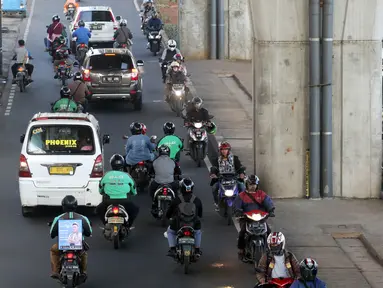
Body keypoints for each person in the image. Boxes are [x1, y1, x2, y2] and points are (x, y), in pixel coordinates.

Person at [49, 195, 92, 279]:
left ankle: (56, 271)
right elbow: (88, 232)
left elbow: (52, 234)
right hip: (78, 246)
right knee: (84, 254)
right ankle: (83, 272)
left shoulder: (58, 218)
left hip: (62, 246)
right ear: (76, 206)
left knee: (53, 251)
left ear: (63, 206)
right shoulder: (83, 218)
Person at [234, 175, 275, 259]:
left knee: (269, 232)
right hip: (246, 218)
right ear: (246, 185)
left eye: (254, 184)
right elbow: (236, 205)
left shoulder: (261, 194)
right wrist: (238, 211)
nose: (252, 186)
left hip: (261, 218)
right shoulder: (242, 195)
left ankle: (272, 250)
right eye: (250, 185)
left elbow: (268, 202)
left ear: (257, 185)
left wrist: (271, 210)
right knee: (242, 232)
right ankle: (241, 249)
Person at [96, 154, 139, 228]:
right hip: (125, 201)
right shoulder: (127, 176)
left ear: (111, 164)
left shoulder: (106, 175)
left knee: (99, 209)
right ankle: (128, 225)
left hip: (108, 201)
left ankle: (106, 224)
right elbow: (134, 189)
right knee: (135, 210)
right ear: (122, 164)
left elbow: (100, 189)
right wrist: (132, 193)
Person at [165, 178, 203, 257]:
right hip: (193, 224)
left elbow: (169, 212)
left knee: (170, 232)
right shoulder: (197, 200)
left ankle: (172, 249)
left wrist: (168, 217)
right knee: (198, 232)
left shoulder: (176, 200)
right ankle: (197, 249)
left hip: (178, 224)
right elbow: (200, 214)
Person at [210, 141, 246, 210]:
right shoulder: (217, 159)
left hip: (233, 178)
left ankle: (242, 204)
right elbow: (214, 168)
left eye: (226, 149)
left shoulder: (234, 158)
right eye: (222, 149)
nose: (224, 151)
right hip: (221, 179)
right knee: (214, 188)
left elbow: (240, 167)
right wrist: (213, 174)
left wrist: (242, 173)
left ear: (228, 150)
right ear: (220, 151)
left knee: (242, 187)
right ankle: (217, 203)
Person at [149, 145, 182, 215]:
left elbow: (150, 172)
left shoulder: (155, 161)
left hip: (158, 182)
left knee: (151, 188)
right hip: (171, 182)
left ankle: (154, 202)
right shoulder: (173, 161)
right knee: (176, 190)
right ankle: (176, 202)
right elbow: (179, 172)